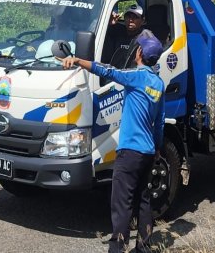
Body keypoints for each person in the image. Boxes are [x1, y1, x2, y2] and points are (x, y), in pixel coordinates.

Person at [58, 36, 165, 253]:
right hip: (147, 150)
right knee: (143, 200)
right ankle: (143, 247)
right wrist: (157, 149)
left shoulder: (136, 77)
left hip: (130, 151)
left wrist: (78, 61)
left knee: (121, 203)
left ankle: (117, 248)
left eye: (138, 49)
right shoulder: (159, 83)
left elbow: (107, 71)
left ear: (139, 55)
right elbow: (159, 122)